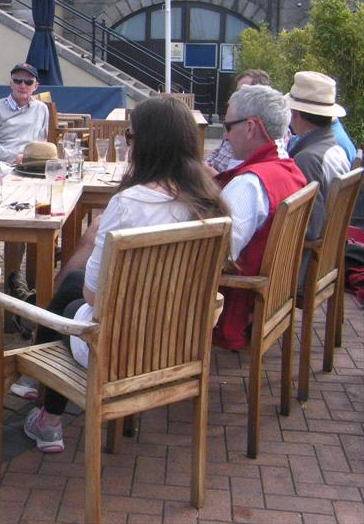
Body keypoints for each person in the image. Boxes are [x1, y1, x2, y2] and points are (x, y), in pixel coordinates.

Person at [21, 96, 229, 453]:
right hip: (180, 343)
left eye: (130, 138)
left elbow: (94, 297)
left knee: (67, 301)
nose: (128, 146)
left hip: (118, 349)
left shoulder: (129, 204)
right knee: (70, 288)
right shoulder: (213, 204)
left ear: (146, 144)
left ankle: (49, 418)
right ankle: (37, 392)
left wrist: (93, 238)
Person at [212, 84, 307, 351]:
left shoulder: (249, 184)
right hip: (269, 301)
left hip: (235, 312)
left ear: (251, 127)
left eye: (228, 127)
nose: (227, 137)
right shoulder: (290, 170)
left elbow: (217, 256)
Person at [286, 71, 350, 241]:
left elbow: (311, 229)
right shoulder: (336, 147)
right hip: (327, 253)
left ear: (296, 114)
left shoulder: (308, 159)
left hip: (304, 261)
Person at [0, 63, 48, 171]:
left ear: (35, 86)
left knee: (59, 175)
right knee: (14, 177)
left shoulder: (42, 109)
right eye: (17, 80)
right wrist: (14, 156)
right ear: (11, 83)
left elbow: (41, 144)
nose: (23, 85)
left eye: (28, 82)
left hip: (31, 164)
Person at [205, 69, 271, 174]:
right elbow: (215, 155)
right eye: (236, 92)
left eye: (242, 92)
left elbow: (238, 178)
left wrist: (206, 171)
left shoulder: (261, 132)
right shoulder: (237, 121)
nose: (235, 96)